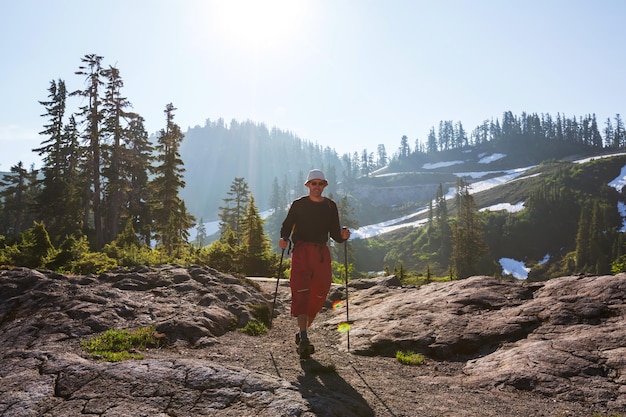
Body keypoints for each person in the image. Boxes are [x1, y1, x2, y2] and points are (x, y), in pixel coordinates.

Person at [278, 169, 351, 359]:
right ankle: (304, 338)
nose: (317, 186)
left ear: (324, 185)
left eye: (320, 183)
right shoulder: (298, 205)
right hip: (301, 252)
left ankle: (302, 332)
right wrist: (284, 238)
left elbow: (334, 233)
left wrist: (342, 237)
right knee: (301, 291)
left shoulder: (330, 206)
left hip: (321, 253)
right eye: (313, 183)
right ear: (308, 185)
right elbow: (287, 225)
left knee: (320, 292)